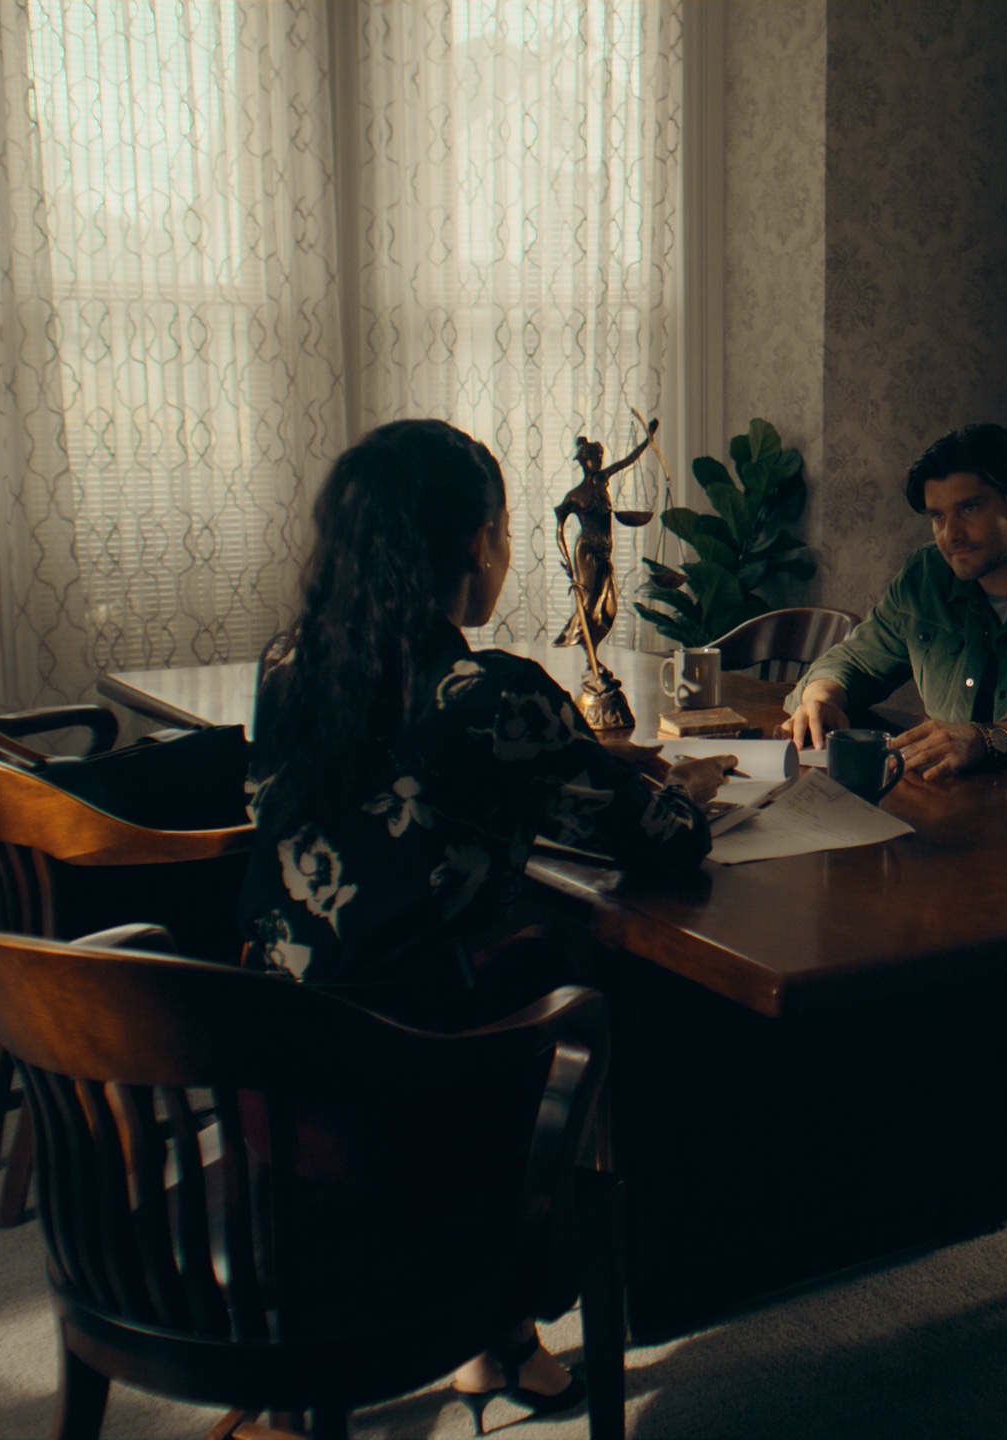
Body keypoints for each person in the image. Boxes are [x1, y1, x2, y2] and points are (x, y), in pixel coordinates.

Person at [241, 418, 730, 1420]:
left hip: (279, 1066)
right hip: (414, 1086)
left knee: (479, 957)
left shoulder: (291, 661)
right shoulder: (491, 693)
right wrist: (679, 786)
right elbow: (664, 841)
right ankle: (508, 1302)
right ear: (478, 543)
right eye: (504, 530)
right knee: (561, 974)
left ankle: (496, 1348)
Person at [783, 422, 1007, 1192]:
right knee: (863, 887)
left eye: (971, 509)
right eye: (939, 515)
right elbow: (856, 655)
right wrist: (821, 689)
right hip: (952, 812)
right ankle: (933, 1081)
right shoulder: (926, 578)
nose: (952, 532)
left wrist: (995, 737)